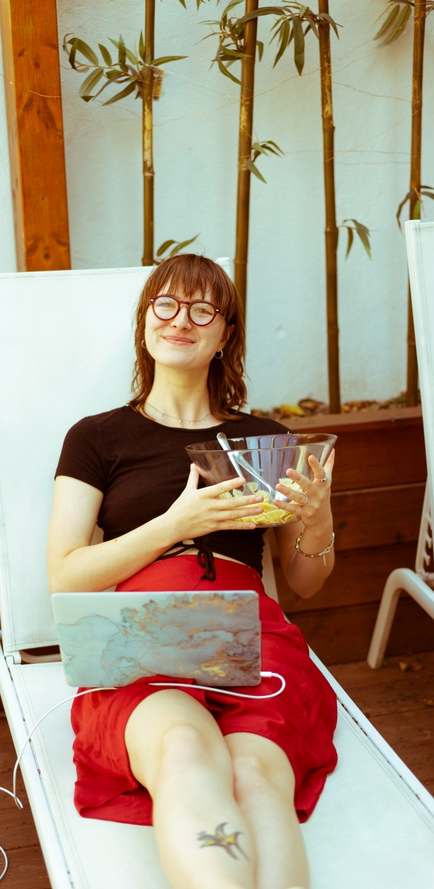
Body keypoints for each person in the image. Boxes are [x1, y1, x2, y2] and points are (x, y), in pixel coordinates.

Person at [47, 254, 337, 889]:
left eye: (203, 309)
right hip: (143, 633)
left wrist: (317, 520)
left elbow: (306, 583)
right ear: (145, 322)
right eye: (167, 305)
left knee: (257, 776)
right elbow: (66, 575)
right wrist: (176, 524)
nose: (183, 320)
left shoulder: (264, 440)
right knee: (183, 751)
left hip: (253, 636)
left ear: (224, 332)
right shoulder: (97, 438)